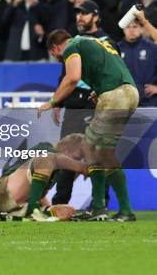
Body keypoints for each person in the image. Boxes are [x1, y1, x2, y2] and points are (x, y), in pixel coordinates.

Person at [39, 30, 139, 221]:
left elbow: (73, 78)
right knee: (97, 150)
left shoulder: (71, 46)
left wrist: (53, 102)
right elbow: (110, 67)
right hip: (129, 92)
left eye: (54, 55)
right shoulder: (92, 42)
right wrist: (98, 89)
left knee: (97, 151)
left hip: (114, 95)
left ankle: (115, 210)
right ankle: (101, 208)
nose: (59, 58)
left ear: (56, 47)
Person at [0, 134, 87, 220]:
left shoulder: (55, 169)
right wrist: (81, 167)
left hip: (21, 204)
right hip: (3, 192)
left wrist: (50, 209)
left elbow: (37, 194)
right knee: (49, 157)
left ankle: (20, 214)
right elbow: (8, 174)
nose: (75, 161)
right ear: (66, 148)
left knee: (68, 210)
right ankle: (34, 210)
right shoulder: (45, 149)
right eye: (77, 158)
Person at [118, 19, 157, 107]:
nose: (131, 30)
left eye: (135, 27)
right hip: (125, 102)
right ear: (123, 29)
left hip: (149, 102)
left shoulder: (152, 48)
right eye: (128, 27)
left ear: (141, 29)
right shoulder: (116, 49)